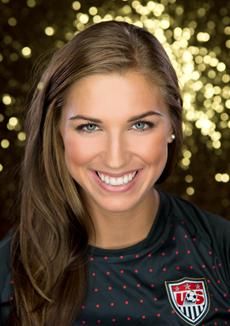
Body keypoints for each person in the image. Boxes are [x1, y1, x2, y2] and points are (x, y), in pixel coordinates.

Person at [0, 20, 229, 326]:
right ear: (58, 131)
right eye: (90, 127)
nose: (116, 158)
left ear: (173, 126)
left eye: (140, 125)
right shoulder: (9, 268)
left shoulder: (220, 249)